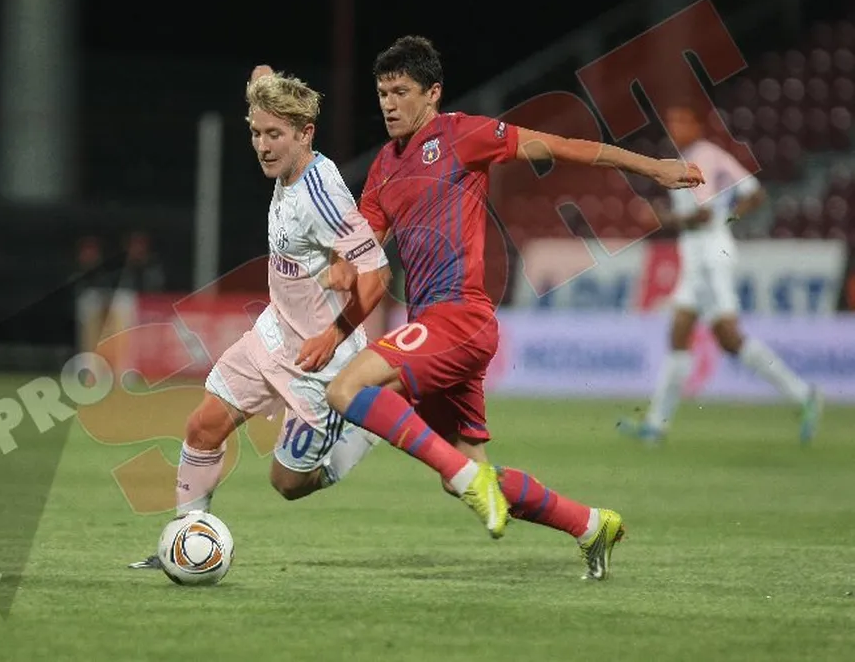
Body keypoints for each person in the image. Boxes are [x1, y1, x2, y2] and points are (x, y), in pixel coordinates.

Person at [316, 36, 702, 579]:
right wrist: (340, 265)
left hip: (458, 318)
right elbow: (364, 247)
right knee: (467, 472)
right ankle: (591, 524)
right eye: (382, 93)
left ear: (432, 93)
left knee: (346, 389)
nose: (389, 104)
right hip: (434, 328)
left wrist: (651, 167)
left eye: (400, 91)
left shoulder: (462, 134)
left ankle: (466, 479)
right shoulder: (383, 165)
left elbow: (560, 147)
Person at [130, 68, 391, 569]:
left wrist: (333, 334)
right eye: (256, 132)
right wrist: (261, 81)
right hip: (274, 334)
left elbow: (376, 275)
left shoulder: (321, 196)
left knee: (287, 483)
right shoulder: (288, 170)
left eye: (275, 135)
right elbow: (266, 81)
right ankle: (187, 540)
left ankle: (364, 431)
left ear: (305, 133)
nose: (263, 146)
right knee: (202, 428)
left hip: (322, 363)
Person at [619, 102, 823, 443]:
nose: (675, 127)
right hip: (696, 258)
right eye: (671, 121)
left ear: (697, 125)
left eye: (682, 120)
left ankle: (804, 394)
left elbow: (706, 214)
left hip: (711, 257)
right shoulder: (701, 156)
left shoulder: (702, 156)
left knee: (729, 337)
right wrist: (726, 218)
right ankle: (656, 425)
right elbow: (753, 193)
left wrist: (666, 219)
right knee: (679, 332)